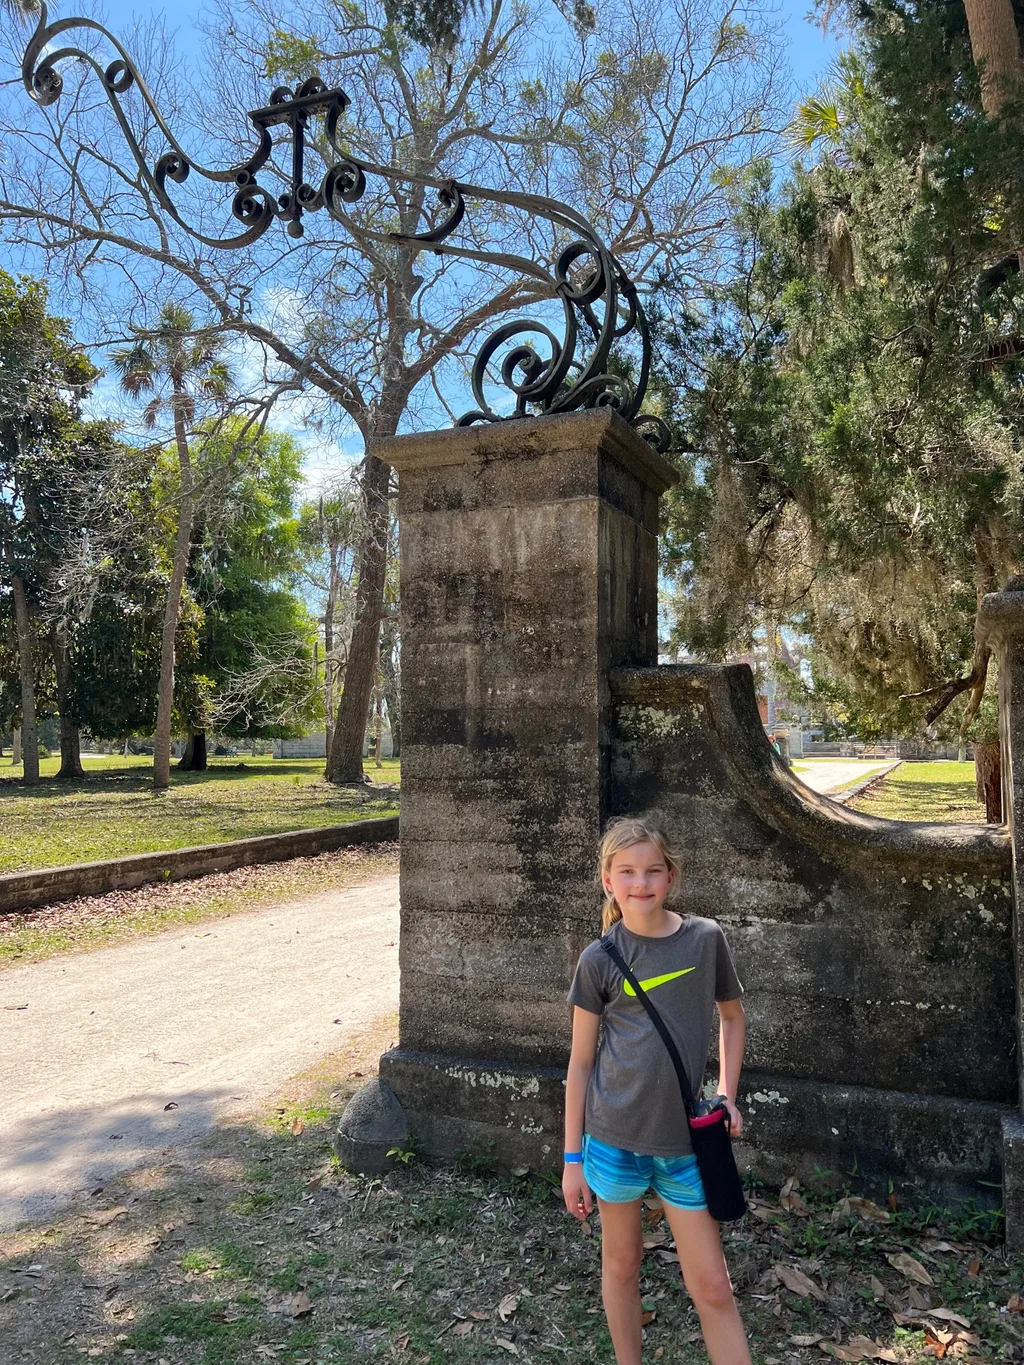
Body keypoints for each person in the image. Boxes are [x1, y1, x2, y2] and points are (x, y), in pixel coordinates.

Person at [562, 815, 751, 1365]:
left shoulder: (704, 940)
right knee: (621, 1266)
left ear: (671, 877)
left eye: (652, 871)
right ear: (607, 881)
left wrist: (727, 1091)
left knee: (713, 1286)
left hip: (684, 1144)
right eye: (627, 872)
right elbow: (579, 1065)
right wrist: (573, 1158)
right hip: (613, 1140)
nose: (640, 883)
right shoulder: (598, 959)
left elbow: (733, 1018)